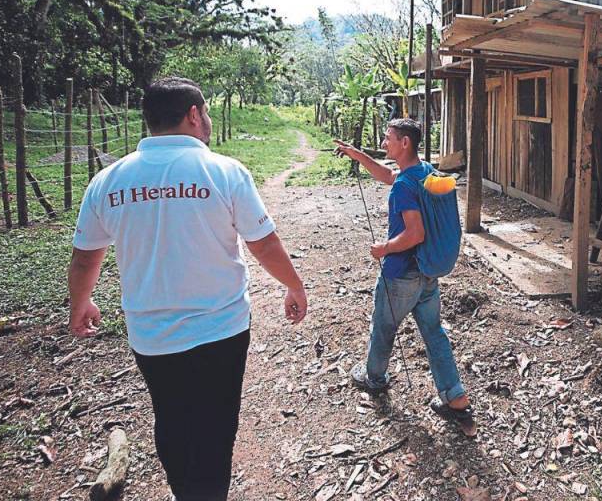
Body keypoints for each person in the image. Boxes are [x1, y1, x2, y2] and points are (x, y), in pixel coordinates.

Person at [67, 77, 308, 501]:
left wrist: (81, 302)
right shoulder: (224, 172)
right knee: (217, 422)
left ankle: (185, 492)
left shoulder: (109, 180)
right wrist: (293, 284)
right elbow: (263, 243)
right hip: (221, 329)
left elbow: (86, 255)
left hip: (151, 334)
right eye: (207, 113)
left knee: (171, 417)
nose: (209, 121)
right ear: (194, 114)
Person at [334, 118, 474, 434]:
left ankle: (375, 378)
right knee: (434, 332)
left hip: (401, 275)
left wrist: (383, 248)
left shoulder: (403, 188)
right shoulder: (424, 173)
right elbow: (387, 174)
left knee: (383, 327)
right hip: (426, 274)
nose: (384, 144)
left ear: (404, 142)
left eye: (388, 139)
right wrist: (357, 154)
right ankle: (456, 398)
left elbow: (415, 233)